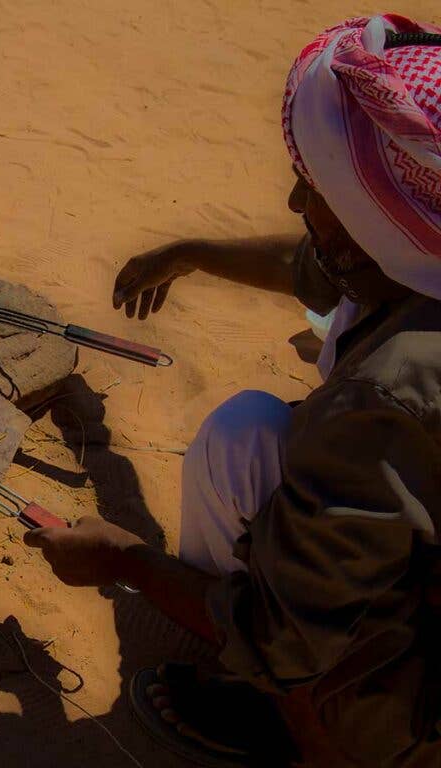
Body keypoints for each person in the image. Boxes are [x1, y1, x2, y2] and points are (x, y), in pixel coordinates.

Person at [25, 15, 441, 768]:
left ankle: (299, 727)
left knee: (284, 637)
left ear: (380, 216)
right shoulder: (415, 255)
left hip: (423, 705)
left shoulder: (388, 395)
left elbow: (283, 634)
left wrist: (125, 560)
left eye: (313, 188)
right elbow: (308, 264)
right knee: (245, 436)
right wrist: (187, 253)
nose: (292, 203)